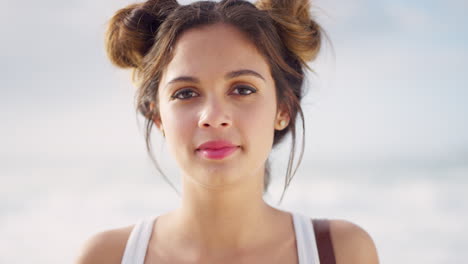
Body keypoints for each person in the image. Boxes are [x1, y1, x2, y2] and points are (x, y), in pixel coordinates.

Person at [76, 0, 379, 263]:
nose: (213, 117)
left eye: (242, 89)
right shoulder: (106, 257)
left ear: (283, 109)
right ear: (157, 117)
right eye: (185, 93)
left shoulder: (342, 252)